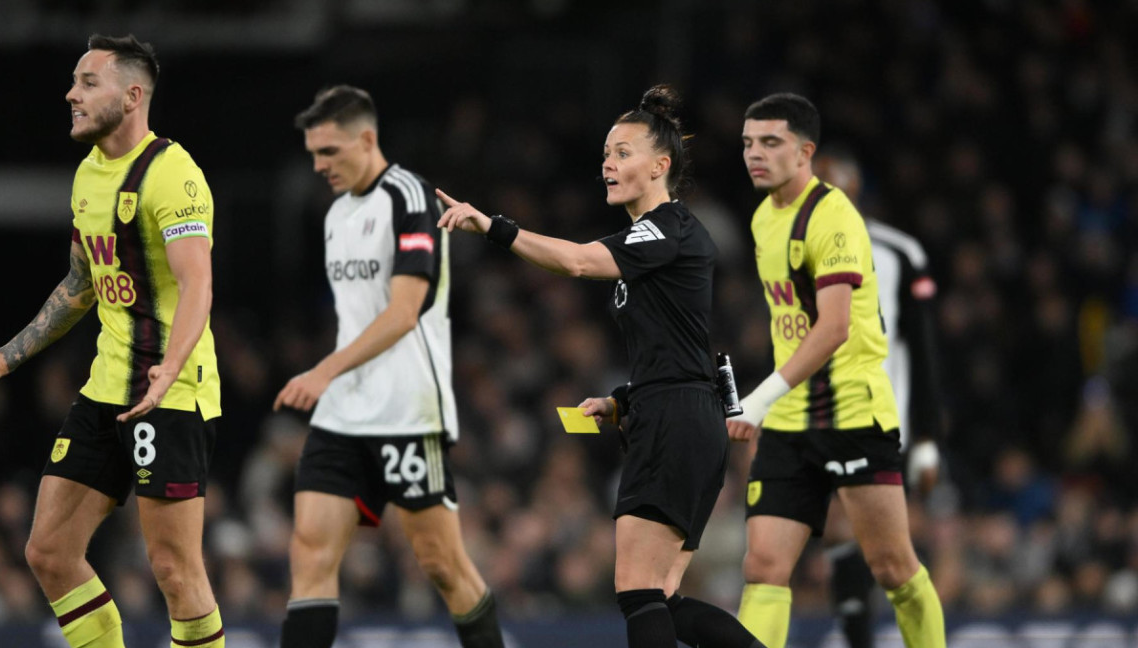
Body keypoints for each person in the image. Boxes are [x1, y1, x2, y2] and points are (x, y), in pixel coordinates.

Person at [437, 85, 762, 648]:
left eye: (623, 153)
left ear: (661, 165)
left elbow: (576, 261)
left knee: (638, 594)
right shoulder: (649, 240)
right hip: (679, 414)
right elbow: (678, 346)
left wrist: (492, 226)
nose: (608, 164)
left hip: (676, 421)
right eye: (606, 154)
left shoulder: (670, 226)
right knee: (661, 597)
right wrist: (621, 403)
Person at [0, 35, 225, 648]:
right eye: (74, 81)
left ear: (133, 94)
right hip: (107, 389)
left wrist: (170, 368)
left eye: (88, 82)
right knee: (47, 550)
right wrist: (5, 357)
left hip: (171, 394)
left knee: (176, 572)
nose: (71, 93)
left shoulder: (173, 174)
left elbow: (197, 285)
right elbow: (80, 282)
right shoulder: (90, 175)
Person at [273, 85, 504, 648]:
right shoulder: (336, 216)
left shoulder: (410, 196)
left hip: (406, 410)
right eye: (313, 155)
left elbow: (403, 313)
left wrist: (323, 371)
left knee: (442, 564)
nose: (319, 166)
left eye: (329, 152)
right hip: (343, 414)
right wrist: (334, 381)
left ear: (367, 138)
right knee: (309, 551)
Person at [730, 93, 946, 648]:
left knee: (894, 568)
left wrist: (757, 398)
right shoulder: (761, 219)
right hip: (789, 421)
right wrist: (771, 402)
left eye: (771, 142)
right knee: (764, 567)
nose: (756, 154)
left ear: (805, 151)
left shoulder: (835, 217)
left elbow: (833, 328)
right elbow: (789, 323)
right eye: (749, 142)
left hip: (853, 412)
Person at [813, 147, 948, 648]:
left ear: (854, 190)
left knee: (890, 556)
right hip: (815, 420)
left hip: (880, 420)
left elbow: (925, 351)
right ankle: (856, 637)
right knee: (839, 533)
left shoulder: (897, 253)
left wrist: (929, 437)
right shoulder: (791, 252)